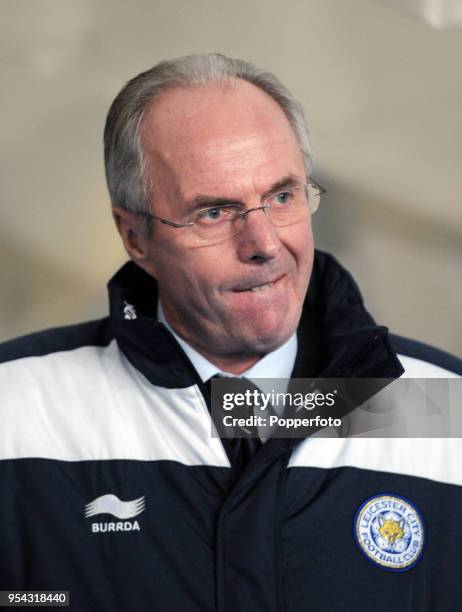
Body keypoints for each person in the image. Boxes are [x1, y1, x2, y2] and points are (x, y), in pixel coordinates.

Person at [0, 53, 461, 612]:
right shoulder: (16, 410)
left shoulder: (445, 409)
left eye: (283, 196)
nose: (264, 244)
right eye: (215, 213)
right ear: (135, 236)